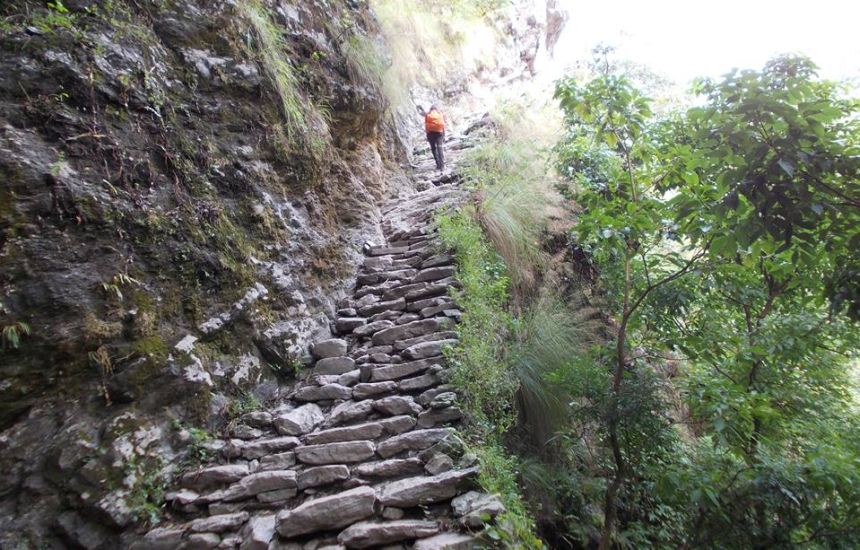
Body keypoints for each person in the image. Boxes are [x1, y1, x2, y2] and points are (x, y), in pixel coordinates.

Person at [422, 104, 446, 171]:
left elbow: (426, 125)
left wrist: (427, 134)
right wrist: (444, 135)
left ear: (431, 109)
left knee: (433, 148)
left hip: (431, 133)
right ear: (436, 108)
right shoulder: (440, 113)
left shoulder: (428, 114)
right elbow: (443, 125)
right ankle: (442, 166)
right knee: (440, 148)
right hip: (439, 133)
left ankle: (437, 164)